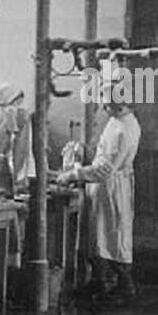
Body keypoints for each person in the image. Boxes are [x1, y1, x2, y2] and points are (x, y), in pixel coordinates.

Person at [57, 88, 141, 302]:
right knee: (96, 237)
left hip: (111, 187)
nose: (104, 108)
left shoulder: (125, 127)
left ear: (121, 104)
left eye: (108, 104)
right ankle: (98, 282)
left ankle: (125, 286)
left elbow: (105, 169)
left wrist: (74, 174)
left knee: (112, 236)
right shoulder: (116, 121)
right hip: (101, 186)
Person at [0, 83, 33, 196]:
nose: (18, 106)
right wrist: (20, 179)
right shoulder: (7, 115)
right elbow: (21, 151)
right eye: (17, 103)